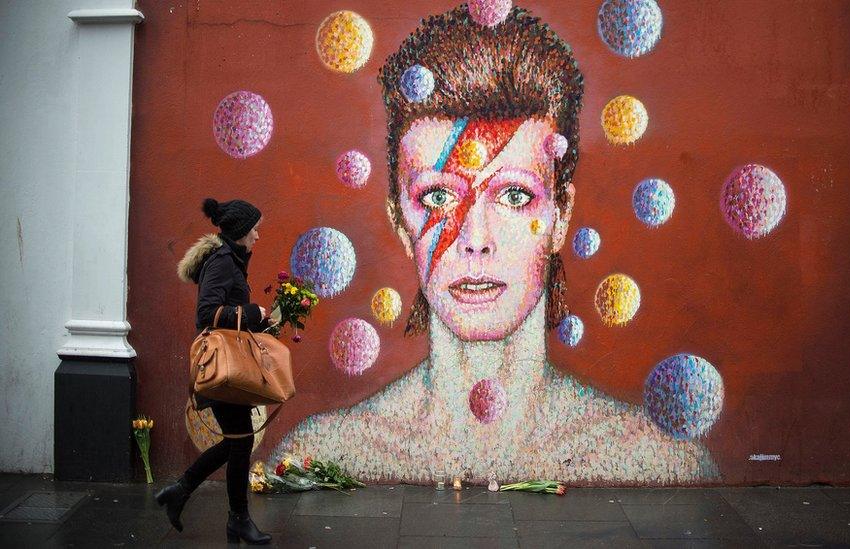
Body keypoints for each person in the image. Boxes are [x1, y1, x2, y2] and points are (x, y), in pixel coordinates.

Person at [271, 5, 720, 484]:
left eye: (514, 195)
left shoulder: (660, 463)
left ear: (560, 216)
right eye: (439, 196)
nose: (476, 240)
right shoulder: (325, 455)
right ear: (401, 221)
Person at [155, 198, 273, 545]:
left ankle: (183, 491)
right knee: (240, 440)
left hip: (229, 364)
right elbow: (207, 314)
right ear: (239, 231)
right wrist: (254, 313)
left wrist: (260, 324)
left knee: (239, 441)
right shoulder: (223, 261)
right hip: (222, 367)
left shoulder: (229, 259)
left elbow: (227, 311)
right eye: (254, 228)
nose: (258, 235)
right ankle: (235, 518)